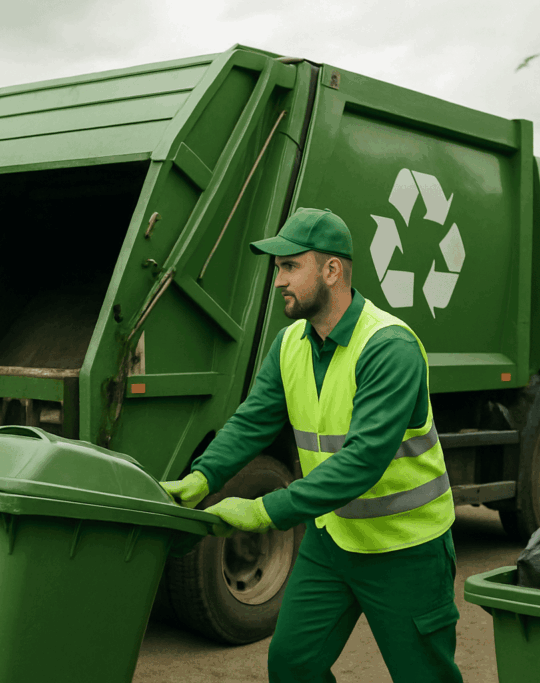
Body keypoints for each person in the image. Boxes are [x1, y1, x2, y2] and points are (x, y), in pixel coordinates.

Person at [161, 208, 463, 682]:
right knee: (293, 665)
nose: (277, 280)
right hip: (334, 539)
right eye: (277, 267)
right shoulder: (290, 344)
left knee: (423, 675)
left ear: (332, 270)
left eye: (289, 266)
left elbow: (362, 461)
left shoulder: (389, 347)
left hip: (405, 549)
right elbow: (250, 422)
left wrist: (264, 512)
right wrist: (202, 478)